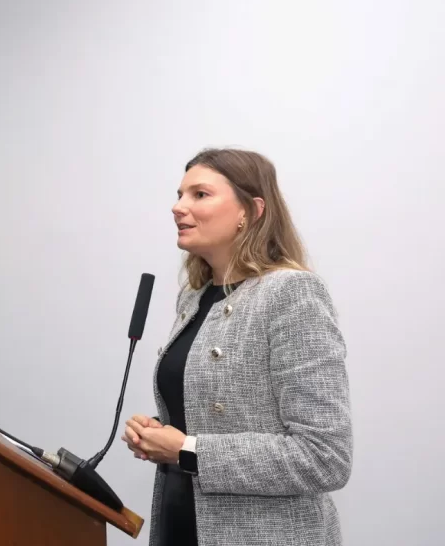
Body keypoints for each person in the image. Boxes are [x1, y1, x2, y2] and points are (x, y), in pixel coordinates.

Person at [121, 148, 352, 546]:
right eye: (179, 194)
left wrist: (186, 450)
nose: (178, 207)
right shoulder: (193, 299)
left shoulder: (292, 293)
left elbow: (324, 457)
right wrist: (160, 436)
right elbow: (209, 420)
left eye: (200, 195)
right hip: (182, 527)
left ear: (252, 210)